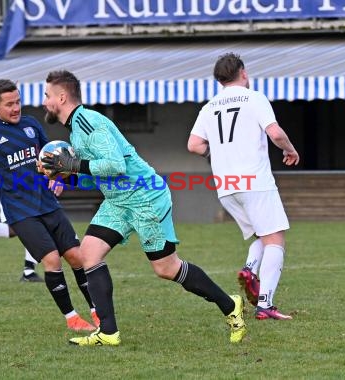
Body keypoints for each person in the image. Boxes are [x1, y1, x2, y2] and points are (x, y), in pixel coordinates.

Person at [41, 70, 246, 346]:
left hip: (144, 196)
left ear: (61, 97)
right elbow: (99, 172)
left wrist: (74, 166)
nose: (44, 102)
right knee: (89, 254)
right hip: (118, 200)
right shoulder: (77, 129)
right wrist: (68, 176)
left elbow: (116, 166)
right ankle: (109, 333)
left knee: (166, 268)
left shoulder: (88, 122)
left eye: (47, 95)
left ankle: (229, 305)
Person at [0, 78, 98, 331]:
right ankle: (72, 318)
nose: (16, 108)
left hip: (48, 203)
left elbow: (48, 156)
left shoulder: (31, 124)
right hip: (20, 211)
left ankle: (96, 311)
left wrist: (58, 177)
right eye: (9, 104)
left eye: (18, 102)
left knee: (77, 257)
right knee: (52, 260)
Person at [187, 52, 299, 320]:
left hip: (226, 184)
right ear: (244, 73)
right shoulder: (255, 98)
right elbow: (275, 133)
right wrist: (290, 149)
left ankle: (250, 269)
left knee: (263, 235)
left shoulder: (209, 106)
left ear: (219, 80)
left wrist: (215, 156)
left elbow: (193, 145)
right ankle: (266, 304)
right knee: (276, 238)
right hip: (255, 180)